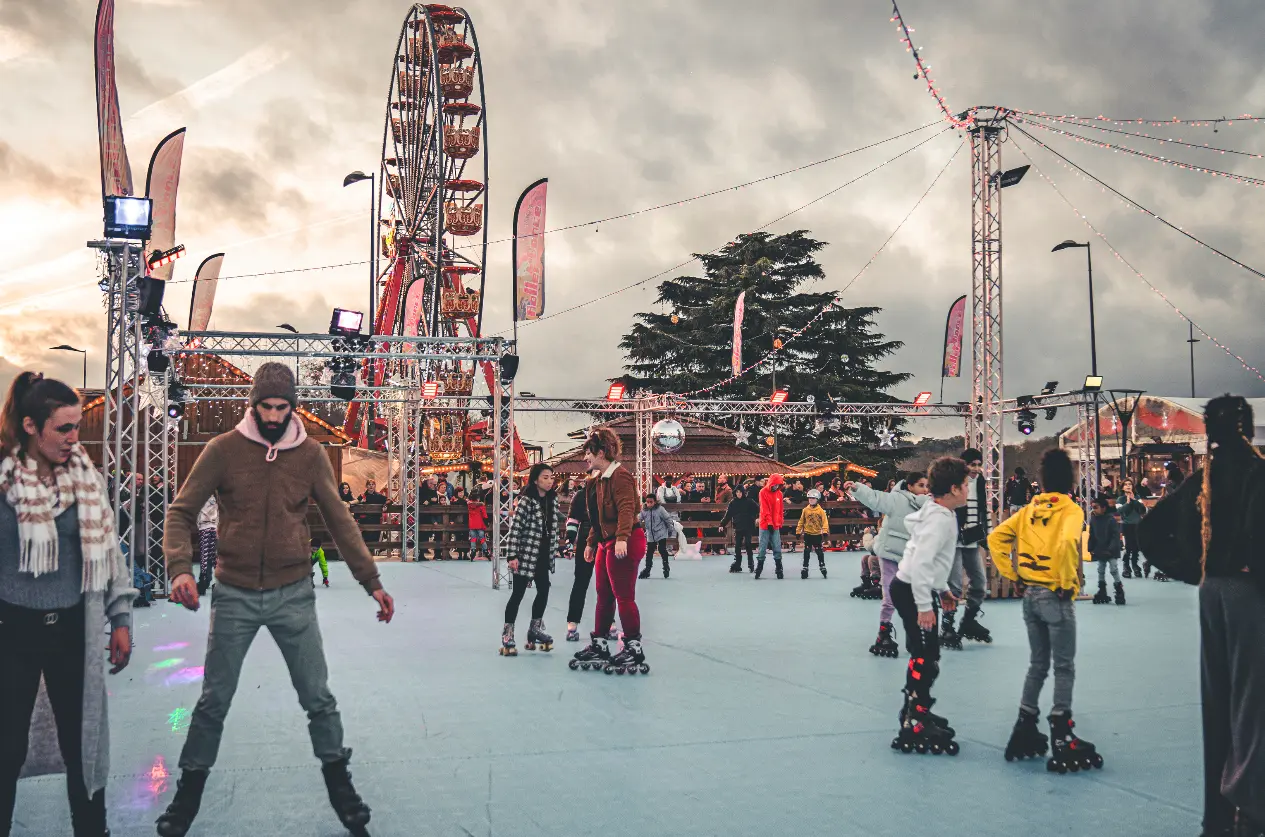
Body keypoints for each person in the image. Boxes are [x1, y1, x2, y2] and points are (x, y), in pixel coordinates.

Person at [156, 362, 394, 837]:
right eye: (264, 406)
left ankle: (341, 790)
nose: (272, 415)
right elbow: (181, 512)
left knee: (318, 698)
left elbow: (340, 519)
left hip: (293, 595)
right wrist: (180, 568)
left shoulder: (309, 455)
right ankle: (186, 798)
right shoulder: (222, 450)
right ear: (253, 404)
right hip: (235, 592)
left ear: (292, 407)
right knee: (213, 702)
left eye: (281, 407)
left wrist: (372, 581)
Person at [0, 372, 134, 837]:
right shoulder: (3, 481)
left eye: (77, 426)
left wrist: (120, 617)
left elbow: (110, 549)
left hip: (73, 629)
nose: (75, 437)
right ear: (32, 426)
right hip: (11, 631)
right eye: (64, 428)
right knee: (6, 748)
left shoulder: (86, 477)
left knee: (83, 747)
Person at [1137, 395, 1265, 837]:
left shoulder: (1201, 479)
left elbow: (1149, 532)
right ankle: (1249, 809)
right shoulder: (1256, 472)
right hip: (1249, 594)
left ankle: (1217, 819)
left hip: (1212, 593)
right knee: (1253, 703)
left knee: (1219, 702)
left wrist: (1196, 570)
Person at [988, 449, 1104, 771]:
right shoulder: (1070, 509)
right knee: (1064, 666)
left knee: (1037, 664)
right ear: (1070, 479)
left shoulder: (1028, 510)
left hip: (1030, 596)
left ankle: (1025, 723)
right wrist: (1068, 580)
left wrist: (1013, 575)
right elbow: (1068, 542)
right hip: (1056, 595)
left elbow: (996, 537)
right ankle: (1062, 731)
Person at [889, 457, 969, 756]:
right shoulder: (937, 518)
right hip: (911, 590)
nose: (968, 490)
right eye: (966, 485)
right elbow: (921, 563)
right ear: (953, 488)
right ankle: (914, 718)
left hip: (915, 588)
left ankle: (917, 708)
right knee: (924, 653)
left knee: (928, 653)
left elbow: (931, 563)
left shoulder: (940, 513)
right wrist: (925, 605)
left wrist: (943, 590)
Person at [570, 428, 648, 674]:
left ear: (601, 452)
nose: (586, 458)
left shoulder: (620, 476)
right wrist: (592, 542)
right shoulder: (596, 480)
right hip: (606, 542)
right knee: (603, 595)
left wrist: (623, 537)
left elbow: (627, 508)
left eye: (589, 453)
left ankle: (634, 647)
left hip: (624, 541)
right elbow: (596, 517)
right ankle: (600, 643)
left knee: (623, 595)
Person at [847, 472, 931, 658]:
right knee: (889, 594)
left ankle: (914, 633)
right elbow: (875, 498)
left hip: (911, 556)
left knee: (917, 595)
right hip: (890, 553)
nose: (924, 489)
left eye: (926, 486)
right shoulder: (895, 499)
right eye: (920, 485)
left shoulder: (928, 506)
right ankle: (883, 632)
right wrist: (857, 488)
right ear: (909, 486)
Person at [499, 464, 564, 656]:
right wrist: (512, 555)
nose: (550, 481)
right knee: (518, 594)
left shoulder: (552, 501)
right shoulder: (526, 502)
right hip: (526, 555)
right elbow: (515, 530)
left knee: (543, 590)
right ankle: (508, 633)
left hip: (544, 555)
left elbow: (555, 523)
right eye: (545, 477)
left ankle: (535, 628)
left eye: (551, 477)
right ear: (535, 480)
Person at [943, 448, 992, 649]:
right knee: (954, 586)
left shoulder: (980, 482)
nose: (976, 468)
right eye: (972, 464)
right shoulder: (952, 483)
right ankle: (947, 626)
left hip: (971, 539)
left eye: (978, 464)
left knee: (980, 583)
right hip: (954, 539)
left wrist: (987, 534)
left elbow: (984, 508)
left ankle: (969, 620)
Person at [564, 472, 599, 642]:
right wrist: (570, 542)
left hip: (606, 537)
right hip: (587, 535)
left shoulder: (609, 492)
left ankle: (608, 621)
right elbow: (572, 520)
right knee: (581, 581)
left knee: (607, 583)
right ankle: (572, 622)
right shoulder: (580, 495)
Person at [1086, 494, 1125, 605]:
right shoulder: (1093, 520)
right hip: (1100, 549)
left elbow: (1115, 536)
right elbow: (1092, 534)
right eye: (1092, 507)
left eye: (1096, 507)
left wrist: (1111, 549)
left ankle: (1119, 589)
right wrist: (1090, 547)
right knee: (1101, 570)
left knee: (1113, 569)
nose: (1093, 509)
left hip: (1111, 550)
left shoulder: (1110, 520)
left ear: (1103, 508)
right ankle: (1102, 589)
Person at [752, 473, 786, 579]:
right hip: (765, 524)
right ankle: (759, 568)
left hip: (775, 525)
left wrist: (780, 521)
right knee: (762, 547)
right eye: (775, 485)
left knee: (777, 547)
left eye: (778, 485)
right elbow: (764, 509)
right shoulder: (763, 492)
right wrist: (769, 523)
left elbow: (780, 509)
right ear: (771, 483)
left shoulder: (779, 494)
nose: (776, 487)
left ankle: (779, 568)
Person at [719, 486, 758, 573]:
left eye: (740, 492)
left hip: (748, 526)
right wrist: (722, 524)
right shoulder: (733, 503)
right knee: (737, 547)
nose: (738, 494)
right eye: (737, 492)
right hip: (738, 527)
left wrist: (755, 517)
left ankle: (751, 565)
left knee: (748, 544)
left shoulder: (749, 501)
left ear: (743, 492)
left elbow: (758, 509)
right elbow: (728, 515)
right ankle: (737, 564)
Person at [638, 493, 674, 580]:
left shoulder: (660, 509)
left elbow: (668, 519)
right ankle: (647, 570)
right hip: (650, 534)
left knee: (662, 550)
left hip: (661, 532)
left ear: (655, 502)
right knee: (649, 552)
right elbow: (639, 519)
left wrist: (670, 529)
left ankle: (666, 567)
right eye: (647, 502)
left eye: (651, 502)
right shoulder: (644, 510)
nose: (649, 504)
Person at [795, 489, 829, 579]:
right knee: (807, 551)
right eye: (809, 499)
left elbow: (825, 521)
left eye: (813, 499)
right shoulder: (805, 510)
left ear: (817, 499)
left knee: (819, 550)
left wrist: (825, 531)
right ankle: (805, 567)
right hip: (808, 534)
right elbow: (801, 521)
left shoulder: (821, 511)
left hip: (817, 534)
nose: (811, 500)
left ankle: (822, 565)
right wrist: (798, 531)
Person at [1116, 479, 1147, 578]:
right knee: (1128, 547)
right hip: (1126, 526)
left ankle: (1135, 565)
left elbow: (1143, 510)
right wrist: (1128, 502)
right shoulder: (1120, 499)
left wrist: (1134, 500)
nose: (1128, 486)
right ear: (1122, 487)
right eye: (1125, 484)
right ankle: (1126, 567)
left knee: (1136, 548)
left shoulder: (1137, 498)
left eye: (1130, 484)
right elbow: (1120, 511)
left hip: (1137, 525)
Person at [195, 495, 219, 596]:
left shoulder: (202, 495)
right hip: (214, 528)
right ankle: (216, 583)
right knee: (213, 556)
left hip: (205, 527)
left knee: (205, 557)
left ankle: (203, 583)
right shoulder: (216, 497)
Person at [467, 494, 489, 559]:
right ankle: (485, 550)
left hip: (472, 524)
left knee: (473, 538)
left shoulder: (469, 505)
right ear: (478, 499)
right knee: (482, 538)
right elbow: (484, 515)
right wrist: (486, 522)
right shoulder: (481, 506)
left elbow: (468, 501)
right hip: (480, 524)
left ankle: (473, 550)